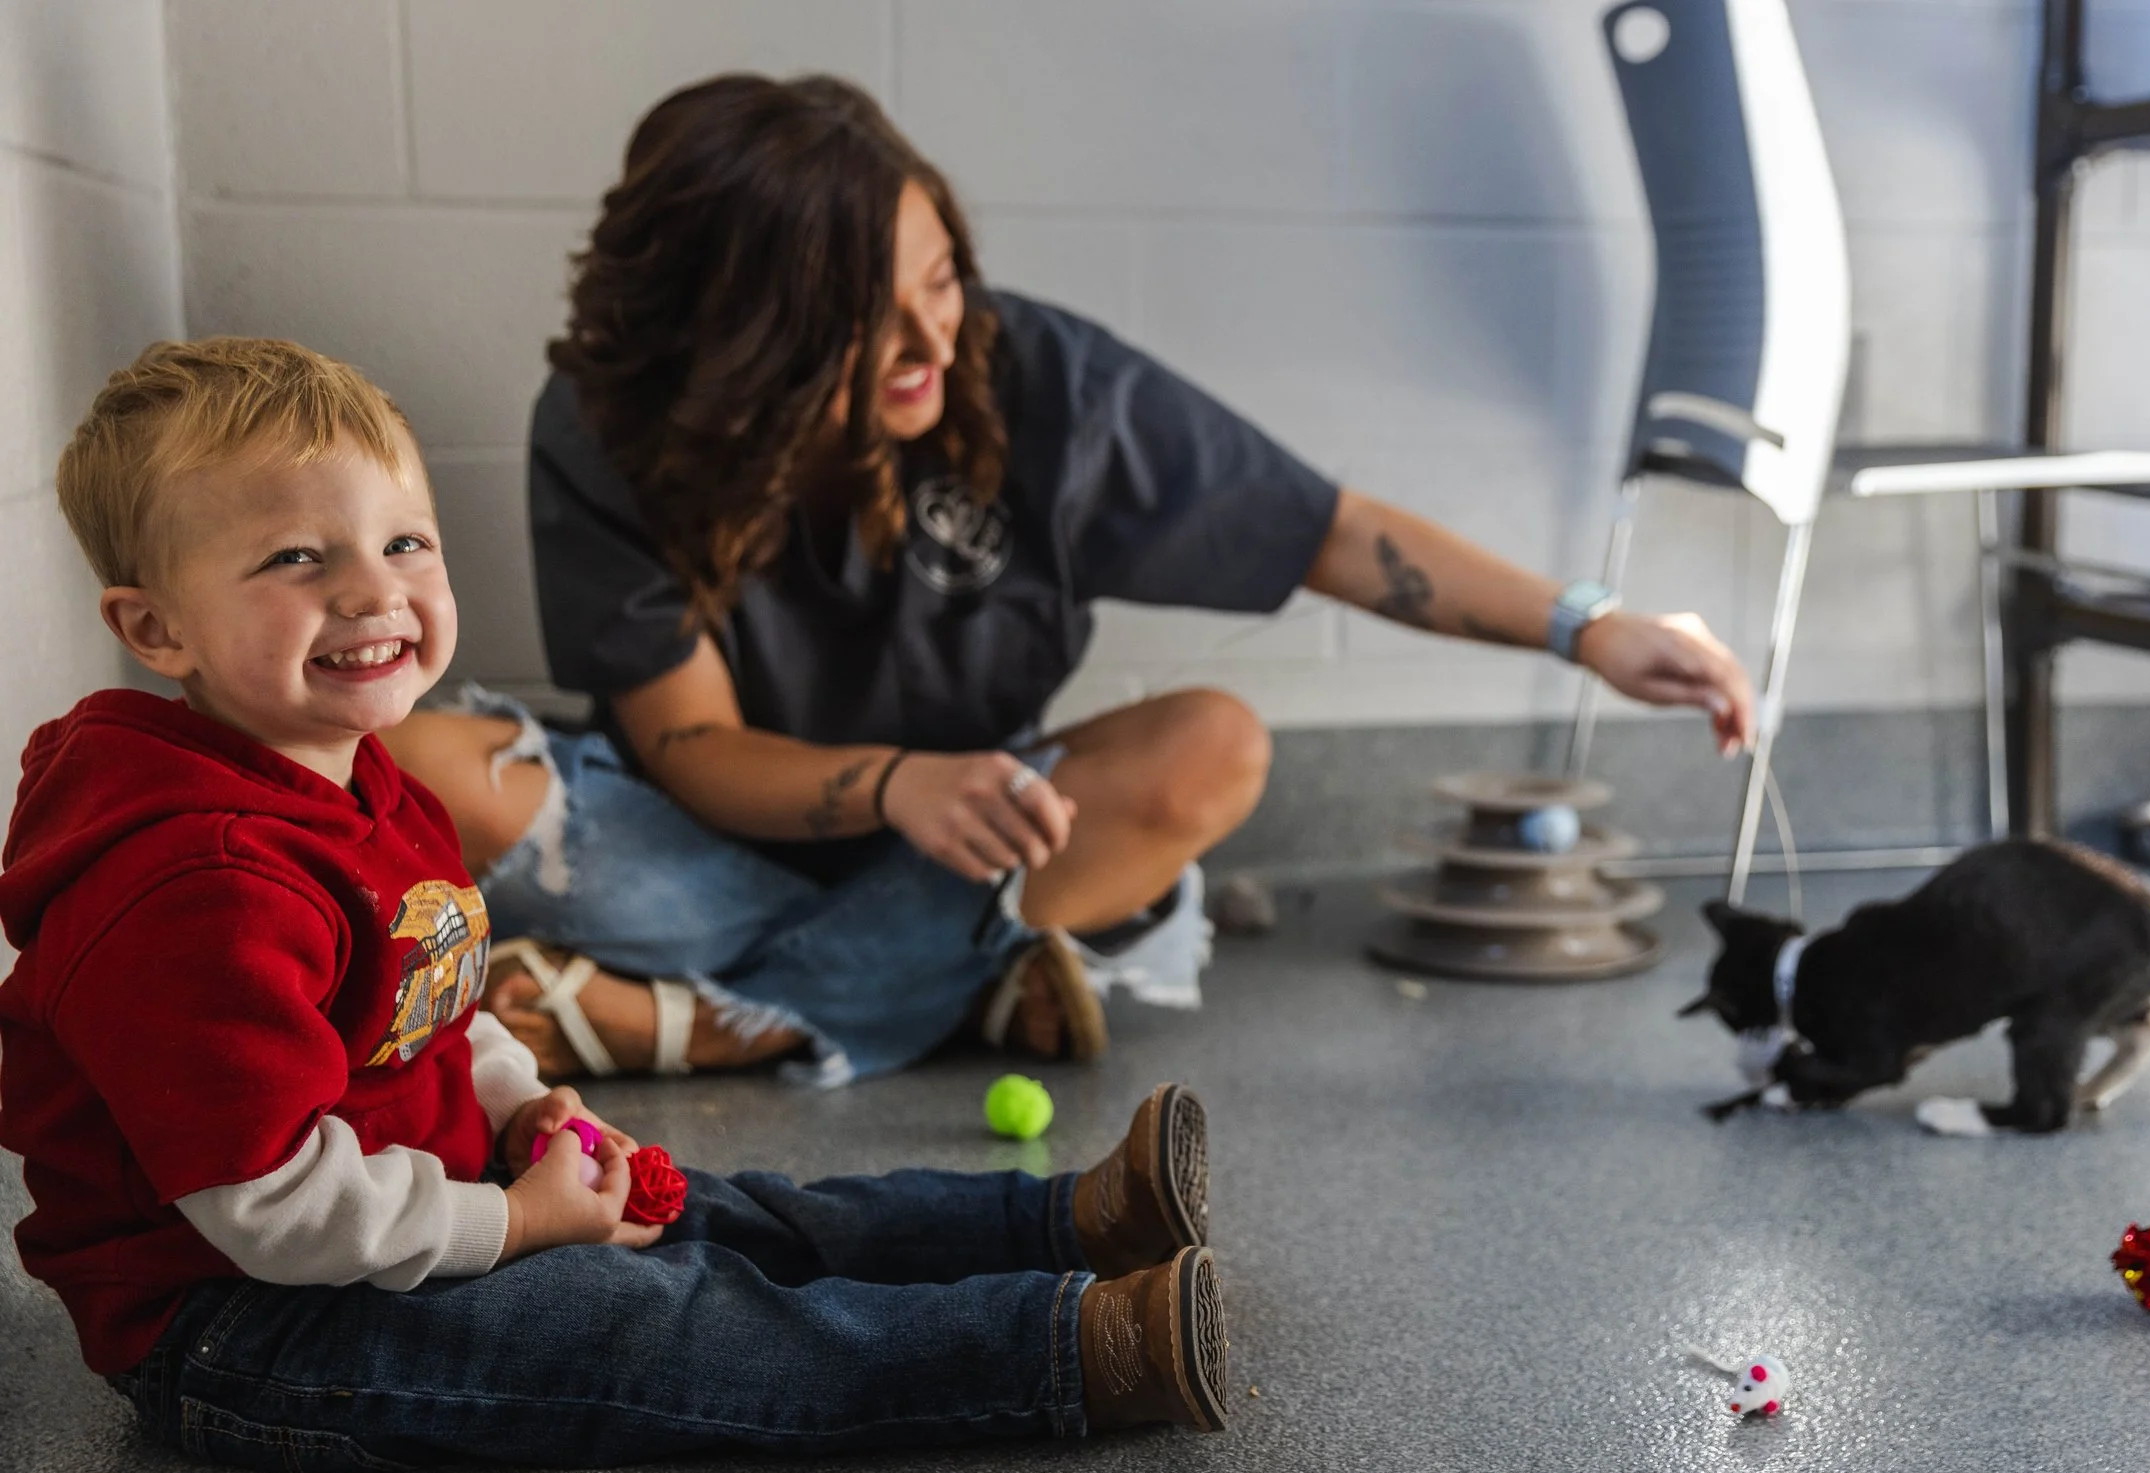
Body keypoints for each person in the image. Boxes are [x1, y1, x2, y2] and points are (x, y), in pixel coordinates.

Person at [0, 338, 1231, 1473]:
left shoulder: (358, 775)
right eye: (294, 558)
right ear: (154, 627)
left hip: (413, 1201)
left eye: (405, 542)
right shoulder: (194, 885)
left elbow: (432, 999)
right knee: (658, 1322)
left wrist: (522, 1104)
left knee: (717, 1205)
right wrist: (517, 1221)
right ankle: (1065, 1348)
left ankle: (1065, 1219)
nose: (374, 591)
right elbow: (273, 1206)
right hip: (254, 1327)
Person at [386, 74, 1758, 1088]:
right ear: (748, 336)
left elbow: (1331, 530)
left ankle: (702, 1020)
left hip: (982, 836)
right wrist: (887, 783)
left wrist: (1592, 626)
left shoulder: (1036, 379)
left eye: (943, 275)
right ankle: (919, 989)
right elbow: (686, 747)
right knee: (421, 756)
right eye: (870, 314)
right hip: (717, 840)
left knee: (1213, 746)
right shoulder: (605, 422)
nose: (933, 331)